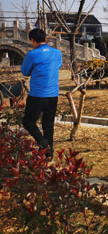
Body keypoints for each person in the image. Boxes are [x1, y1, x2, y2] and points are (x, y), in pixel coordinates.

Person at [21, 29, 63, 161]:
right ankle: (48, 155)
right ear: (45, 39)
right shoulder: (57, 53)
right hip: (53, 94)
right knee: (48, 124)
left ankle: (43, 143)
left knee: (28, 121)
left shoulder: (32, 55)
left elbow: (25, 72)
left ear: (32, 40)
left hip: (37, 95)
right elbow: (59, 65)